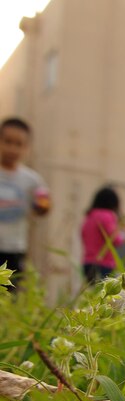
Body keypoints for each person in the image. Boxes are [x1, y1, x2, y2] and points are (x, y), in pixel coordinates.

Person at [0, 117, 50, 279]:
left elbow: (43, 208)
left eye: (19, 144)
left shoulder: (32, 180)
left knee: (9, 290)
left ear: (26, 147)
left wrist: (42, 207)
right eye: (8, 142)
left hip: (15, 247)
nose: (12, 149)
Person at [81, 186, 125, 283]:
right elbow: (116, 239)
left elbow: (83, 234)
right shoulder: (107, 216)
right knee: (104, 291)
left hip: (87, 263)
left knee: (91, 290)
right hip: (104, 264)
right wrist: (123, 233)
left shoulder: (89, 216)